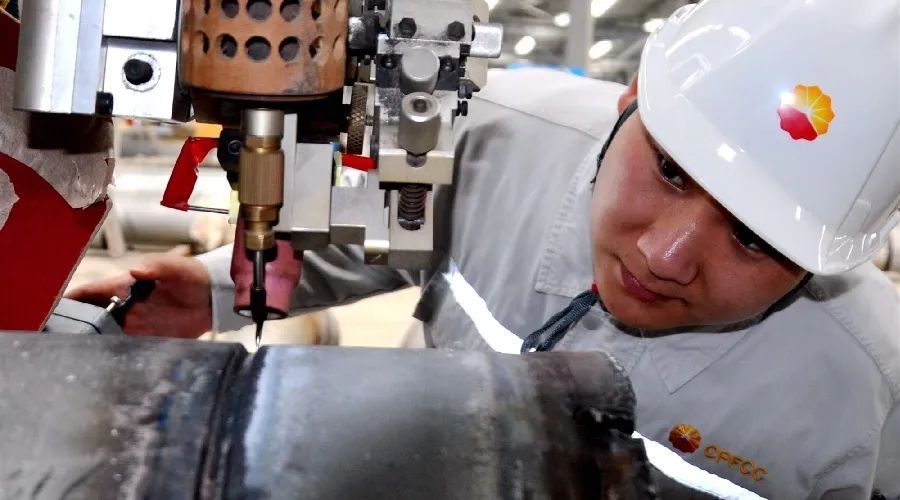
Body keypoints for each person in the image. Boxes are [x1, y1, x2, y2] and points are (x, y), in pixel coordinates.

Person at [69, 0, 900, 497]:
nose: (664, 255)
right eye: (671, 171)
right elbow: (373, 242)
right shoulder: (498, 137)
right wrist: (217, 288)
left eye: (753, 237)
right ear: (631, 101)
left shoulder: (870, 393)